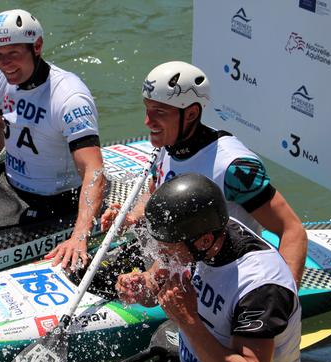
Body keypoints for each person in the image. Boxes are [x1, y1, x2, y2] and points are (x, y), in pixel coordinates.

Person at [101, 61, 307, 286]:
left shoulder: (234, 166)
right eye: (147, 108)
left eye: (159, 112)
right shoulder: (167, 145)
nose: (148, 121)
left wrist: (284, 299)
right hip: (182, 257)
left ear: (190, 114)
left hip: (228, 279)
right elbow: (154, 192)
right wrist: (133, 217)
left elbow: (292, 230)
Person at [116, 173, 302, 362]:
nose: (160, 254)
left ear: (203, 242)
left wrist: (188, 321)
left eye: (166, 248)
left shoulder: (261, 286)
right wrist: (139, 287)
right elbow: (152, 288)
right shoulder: (193, 237)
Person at [0, 9, 104, 270]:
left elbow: (94, 172)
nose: (5, 64)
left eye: (13, 53)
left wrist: (79, 236)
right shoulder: (2, 79)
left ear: (37, 46)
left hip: (56, 201)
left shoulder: (69, 97)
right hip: (10, 185)